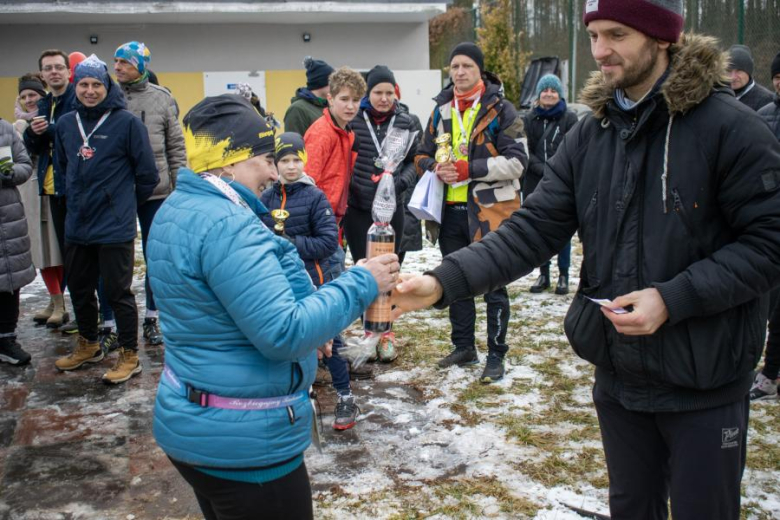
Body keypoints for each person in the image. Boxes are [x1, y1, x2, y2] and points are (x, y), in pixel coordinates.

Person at [394, 2, 780, 518]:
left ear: (662, 37)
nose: (600, 51)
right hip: (619, 375)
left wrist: (672, 298)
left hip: (705, 378)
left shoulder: (730, 126)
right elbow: (531, 230)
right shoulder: (591, 132)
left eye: (616, 34)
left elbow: (769, 242)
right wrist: (444, 281)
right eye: (594, 35)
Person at [145, 94, 399, 519]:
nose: (271, 168)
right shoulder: (227, 225)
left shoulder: (180, 207)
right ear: (226, 163)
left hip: (194, 423)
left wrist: (312, 322)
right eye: (263, 157)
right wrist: (362, 282)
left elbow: (227, 305)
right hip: (245, 447)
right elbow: (283, 332)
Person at [414, 42, 526, 383]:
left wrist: (469, 169)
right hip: (449, 212)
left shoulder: (502, 110)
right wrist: (435, 167)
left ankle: (496, 354)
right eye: (454, 67)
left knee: (494, 284)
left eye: (466, 66)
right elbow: (420, 156)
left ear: (480, 71)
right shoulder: (441, 110)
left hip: (490, 212)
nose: (459, 72)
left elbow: (518, 162)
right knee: (457, 281)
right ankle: (464, 347)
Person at [53, 55, 158, 384]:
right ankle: (89, 344)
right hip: (78, 223)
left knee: (118, 292)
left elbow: (148, 175)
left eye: (96, 84)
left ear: (107, 86)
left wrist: (122, 204)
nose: (89, 90)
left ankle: (129, 354)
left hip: (114, 225)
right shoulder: (67, 123)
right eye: (83, 84)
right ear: (76, 86)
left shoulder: (126, 123)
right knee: (81, 290)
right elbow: (62, 168)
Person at [260, 132, 359, 429]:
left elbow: (328, 242)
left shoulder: (315, 197)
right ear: (276, 163)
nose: (291, 167)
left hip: (314, 280)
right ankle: (299, 397)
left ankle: (345, 396)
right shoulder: (265, 199)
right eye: (285, 160)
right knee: (291, 339)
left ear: (304, 160)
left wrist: (289, 243)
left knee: (329, 339)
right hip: (280, 283)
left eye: (296, 160)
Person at [344, 65, 419, 362]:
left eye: (389, 92)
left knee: (389, 271)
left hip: (392, 208)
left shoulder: (406, 121)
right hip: (358, 208)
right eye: (378, 92)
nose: (384, 98)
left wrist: (400, 181)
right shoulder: (353, 121)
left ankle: (386, 331)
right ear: (368, 93)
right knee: (364, 268)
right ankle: (368, 329)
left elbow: (418, 160)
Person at [114, 40, 186, 346]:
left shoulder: (162, 99)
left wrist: (179, 185)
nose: (117, 68)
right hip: (116, 192)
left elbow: (176, 147)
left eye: (125, 63)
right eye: (116, 62)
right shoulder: (108, 97)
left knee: (156, 257)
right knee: (118, 261)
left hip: (157, 192)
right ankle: (116, 322)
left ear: (140, 66)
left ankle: (153, 318)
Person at [22, 50, 77, 329]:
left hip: (75, 188)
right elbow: (35, 147)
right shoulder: (43, 104)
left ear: (68, 71)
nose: (54, 72)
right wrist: (32, 134)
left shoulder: (78, 99)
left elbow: (76, 137)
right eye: (48, 68)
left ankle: (88, 312)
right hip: (51, 187)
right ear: (42, 75)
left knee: (80, 253)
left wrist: (51, 130)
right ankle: (68, 305)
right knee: (65, 252)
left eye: (58, 67)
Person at [14, 73, 70, 328]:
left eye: (33, 94)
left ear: (42, 94)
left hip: (53, 187)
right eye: (24, 96)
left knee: (59, 248)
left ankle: (60, 302)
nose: (28, 100)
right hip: (30, 192)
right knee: (42, 251)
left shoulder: (53, 118)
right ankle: (55, 300)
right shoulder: (17, 127)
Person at [522, 74, 578, 296]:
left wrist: (555, 170)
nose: (549, 94)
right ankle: (543, 273)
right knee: (538, 229)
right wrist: (544, 170)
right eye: (545, 90)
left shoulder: (570, 118)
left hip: (563, 181)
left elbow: (572, 148)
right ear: (539, 94)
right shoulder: (529, 119)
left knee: (562, 229)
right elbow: (526, 150)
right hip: (535, 182)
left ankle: (563, 274)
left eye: (553, 90)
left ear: (559, 94)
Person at [751, 50, 780, 400]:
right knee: (773, 307)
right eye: (776, 76)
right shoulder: (762, 117)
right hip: (771, 226)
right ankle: (769, 372)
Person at [0, 118, 34, 365]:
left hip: (8, 218)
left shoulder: (4, 129)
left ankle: (6, 339)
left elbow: (25, 164)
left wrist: (11, 172)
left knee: (10, 279)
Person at [283, 56, 334, 135]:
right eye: (332, 81)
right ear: (321, 82)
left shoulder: (330, 106)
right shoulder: (297, 109)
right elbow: (294, 144)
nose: (335, 85)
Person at [728, 44, 774, 112]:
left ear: (748, 72)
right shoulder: (718, 94)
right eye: (728, 71)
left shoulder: (766, 100)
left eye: (739, 71)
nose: (733, 77)